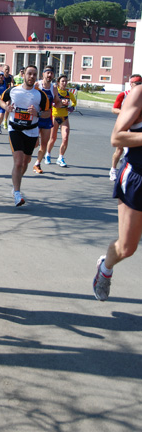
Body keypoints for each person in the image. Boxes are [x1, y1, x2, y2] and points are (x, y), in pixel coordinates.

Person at [93, 83, 142, 301]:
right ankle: (105, 268)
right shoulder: (139, 94)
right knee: (126, 248)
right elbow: (117, 138)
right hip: (138, 176)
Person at [0, 65, 49, 206]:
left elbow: (48, 112)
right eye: (29, 74)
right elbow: (0, 100)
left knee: (26, 162)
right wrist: (6, 107)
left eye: (34, 74)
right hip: (15, 129)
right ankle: (17, 193)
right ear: (24, 75)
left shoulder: (40, 95)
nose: (31, 76)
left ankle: (17, 180)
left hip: (32, 131)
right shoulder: (14, 90)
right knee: (19, 161)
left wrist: (37, 114)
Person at [109, 74, 142, 181]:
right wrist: (125, 113)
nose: (137, 85)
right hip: (124, 125)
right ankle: (113, 169)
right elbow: (114, 109)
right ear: (131, 84)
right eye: (136, 84)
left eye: (140, 83)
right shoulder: (124, 94)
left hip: (136, 126)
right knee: (119, 149)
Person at [32, 66, 61, 174]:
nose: (49, 75)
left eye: (51, 73)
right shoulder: (37, 85)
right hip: (35, 117)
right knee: (34, 143)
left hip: (47, 117)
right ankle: (26, 158)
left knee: (44, 144)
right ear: (43, 74)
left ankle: (37, 164)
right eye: (47, 73)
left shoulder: (53, 88)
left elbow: (57, 102)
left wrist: (61, 103)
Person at [45, 75, 77, 167]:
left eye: (66, 81)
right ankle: (48, 154)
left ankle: (60, 157)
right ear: (58, 83)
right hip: (55, 116)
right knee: (53, 138)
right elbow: (51, 102)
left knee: (65, 137)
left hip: (64, 117)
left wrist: (72, 107)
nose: (64, 83)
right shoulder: (56, 92)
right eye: (62, 81)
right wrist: (57, 103)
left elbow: (74, 102)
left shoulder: (69, 94)